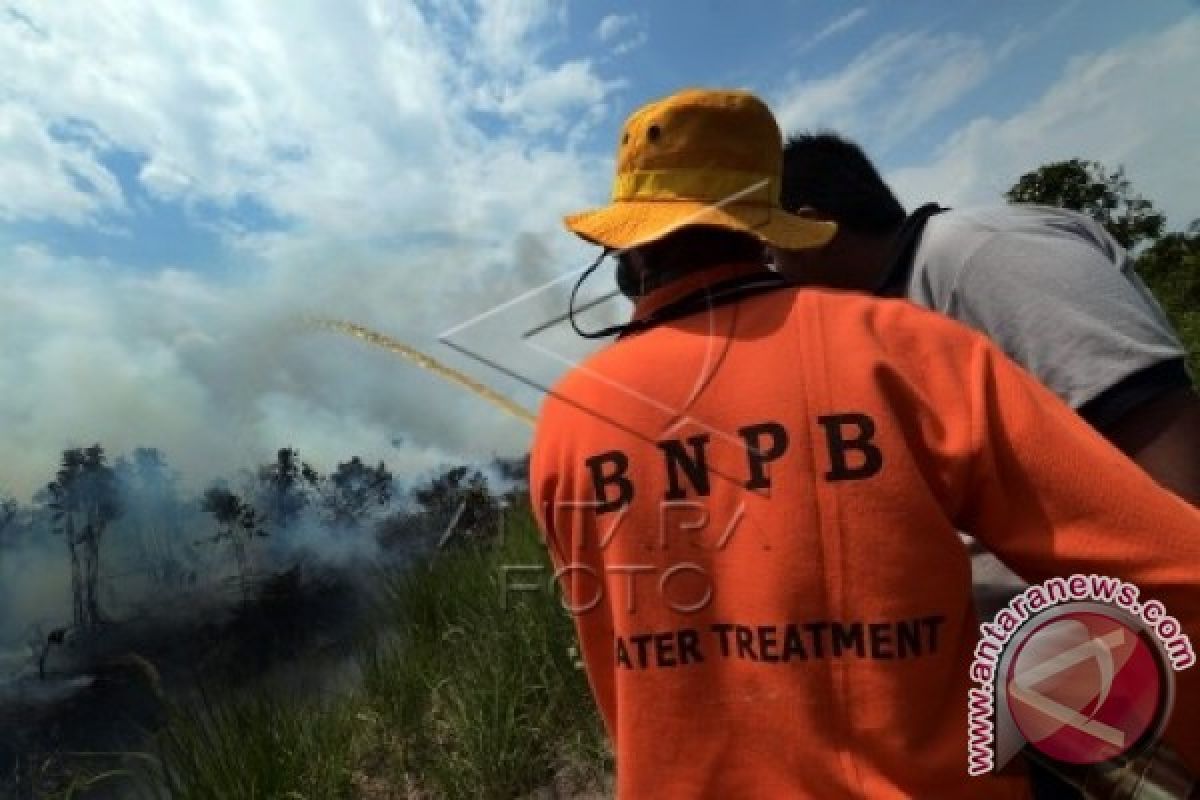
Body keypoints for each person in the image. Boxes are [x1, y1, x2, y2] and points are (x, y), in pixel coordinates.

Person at [530, 88, 1200, 798]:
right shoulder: (908, 348)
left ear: (628, 251)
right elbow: (1176, 573)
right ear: (769, 225)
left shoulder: (565, 426)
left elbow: (628, 676)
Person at [773, 132, 1200, 507]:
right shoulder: (894, 310)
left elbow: (1159, 434)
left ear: (813, 231)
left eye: (771, 254)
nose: (772, 276)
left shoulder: (986, 254)